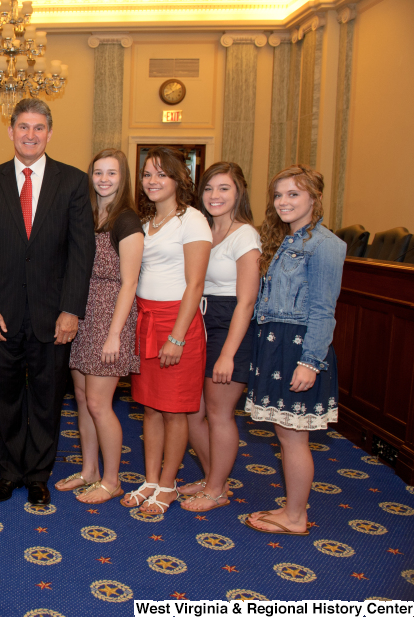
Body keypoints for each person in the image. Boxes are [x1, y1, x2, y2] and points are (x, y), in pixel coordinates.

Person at [0, 98, 96, 506]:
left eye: (39, 128)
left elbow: (81, 253)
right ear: (11, 131)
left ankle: (38, 475)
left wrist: (72, 310)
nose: (30, 135)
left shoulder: (73, 182)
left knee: (45, 400)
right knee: (5, 398)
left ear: (50, 133)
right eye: (23, 127)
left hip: (53, 316)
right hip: (0, 316)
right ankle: (9, 473)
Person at [245, 165, 345, 535]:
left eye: (293, 194)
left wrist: (310, 362)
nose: (283, 202)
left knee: (293, 436)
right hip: (275, 343)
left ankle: (295, 517)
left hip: (299, 346)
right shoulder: (287, 239)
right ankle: (292, 506)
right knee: (284, 434)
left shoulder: (326, 245)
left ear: (314, 199)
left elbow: (323, 310)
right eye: (278, 195)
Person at [121, 146, 211, 515]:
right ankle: (151, 480)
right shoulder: (145, 223)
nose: (153, 180)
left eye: (161, 174)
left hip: (179, 324)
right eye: (147, 174)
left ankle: (169, 484)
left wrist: (176, 336)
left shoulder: (192, 220)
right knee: (150, 409)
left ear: (178, 179)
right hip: (147, 320)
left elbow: (195, 285)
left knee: (174, 411)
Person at [55, 148, 143, 505]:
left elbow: (130, 283)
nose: (104, 179)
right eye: (98, 173)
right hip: (83, 311)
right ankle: (89, 470)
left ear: (123, 178)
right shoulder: (91, 213)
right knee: (82, 399)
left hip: (110, 314)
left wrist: (114, 335)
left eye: (112, 173)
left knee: (99, 402)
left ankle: (112, 479)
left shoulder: (127, 219)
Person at [180, 162, 260, 512]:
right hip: (201, 320)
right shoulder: (203, 229)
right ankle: (215, 476)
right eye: (210, 188)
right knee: (192, 411)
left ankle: (216, 490)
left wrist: (228, 353)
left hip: (231, 324)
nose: (215, 195)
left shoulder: (246, 235)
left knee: (218, 412)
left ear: (238, 192)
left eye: (224, 188)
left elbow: (247, 301)